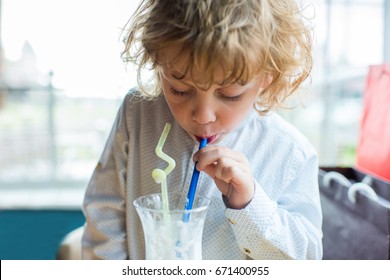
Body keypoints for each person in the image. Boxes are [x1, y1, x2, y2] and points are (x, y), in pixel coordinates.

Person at [82, 0, 323, 260]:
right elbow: (104, 215)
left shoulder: (290, 154)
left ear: (267, 78)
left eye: (230, 95)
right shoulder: (137, 112)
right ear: (158, 63)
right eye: (180, 90)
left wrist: (250, 205)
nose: (203, 116)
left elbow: (307, 258)